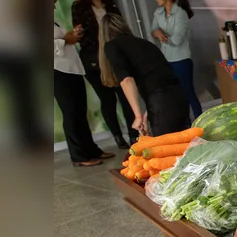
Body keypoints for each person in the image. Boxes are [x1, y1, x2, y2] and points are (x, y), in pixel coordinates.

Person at [99, 13, 190, 137]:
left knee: (167, 149)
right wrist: (147, 115)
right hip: (179, 96)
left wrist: (138, 117)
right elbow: (160, 82)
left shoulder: (112, 46)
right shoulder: (144, 43)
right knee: (187, 146)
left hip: (161, 102)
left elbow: (127, 81)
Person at [72, 0, 139, 149]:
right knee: (107, 100)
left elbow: (121, 28)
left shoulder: (111, 5)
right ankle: (117, 136)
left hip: (116, 55)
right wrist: (102, 47)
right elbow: (81, 35)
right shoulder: (79, 6)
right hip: (94, 60)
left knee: (126, 97)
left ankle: (134, 135)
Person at [54, 9, 113, 167]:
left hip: (71, 70)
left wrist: (72, 34)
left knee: (80, 111)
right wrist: (66, 40)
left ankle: (91, 150)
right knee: (71, 112)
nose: (54, 4)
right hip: (58, 73)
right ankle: (78, 156)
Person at [150, 0, 201, 120]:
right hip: (166, 60)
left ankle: (200, 121)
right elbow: (153, 31)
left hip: (181, 60)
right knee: (176, 95)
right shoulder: (158, 12)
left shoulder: (180, 13)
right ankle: (186, 124)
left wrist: (161, 35)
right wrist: (156, 33)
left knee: (188, 93)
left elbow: (177, 40)